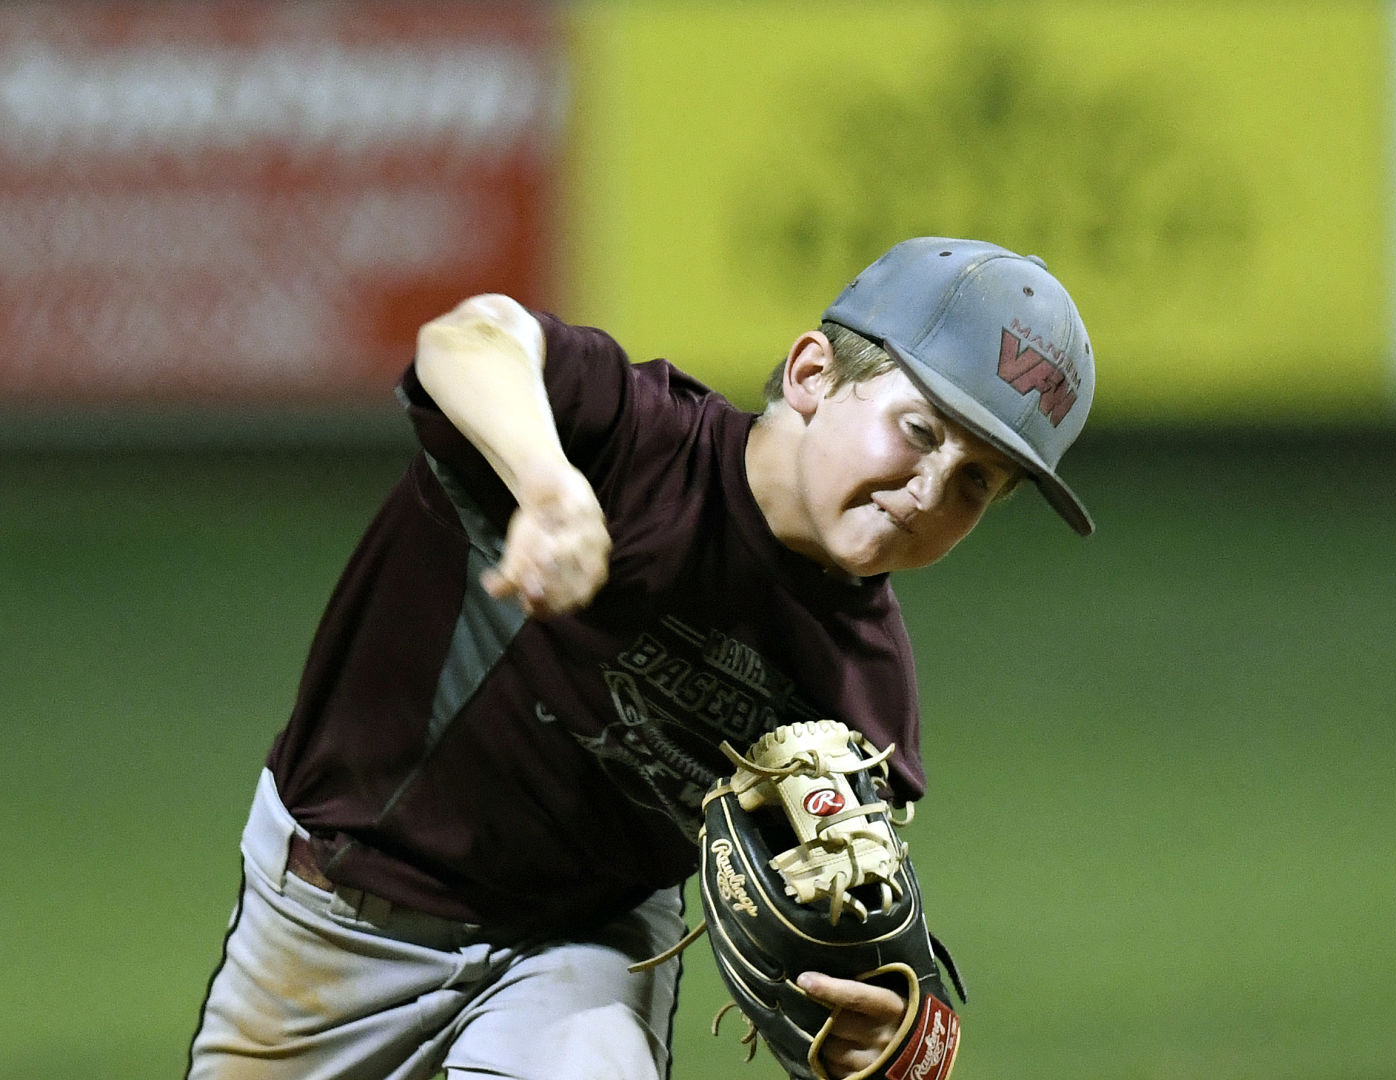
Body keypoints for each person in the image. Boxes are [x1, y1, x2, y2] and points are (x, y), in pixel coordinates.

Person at [186, 235, 1095, 1080]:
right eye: (921, 432)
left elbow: (862, 951)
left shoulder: (863, 695)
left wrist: (897, 1030)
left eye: (977, 481)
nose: (932, 490)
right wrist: (548, 487)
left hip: (580, 954)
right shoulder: (627, 440)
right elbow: (466, 339)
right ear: (813, 373)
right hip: (332, 914)